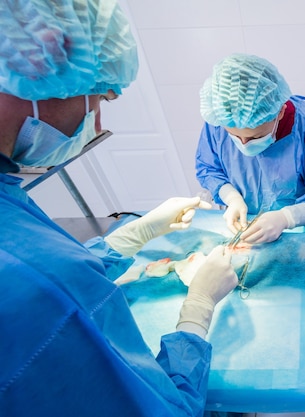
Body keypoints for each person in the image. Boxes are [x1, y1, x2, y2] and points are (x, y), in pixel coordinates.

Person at [0, 1, 237, 416]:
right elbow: (163, 409)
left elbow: (63, 274)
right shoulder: (29, 286)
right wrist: (198, 310)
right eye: (101, 96)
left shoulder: (10, 204)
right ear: (41, 59)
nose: (95, 116)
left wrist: (134, 234)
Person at [195, 53, 305, 244]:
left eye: (255, 137)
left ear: (280, 112)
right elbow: (208, 168)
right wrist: (231, 196)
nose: (244, 145)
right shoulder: (221, 117)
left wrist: (287, 218)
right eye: (235, 137)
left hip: (293, 231)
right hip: (242, 227)